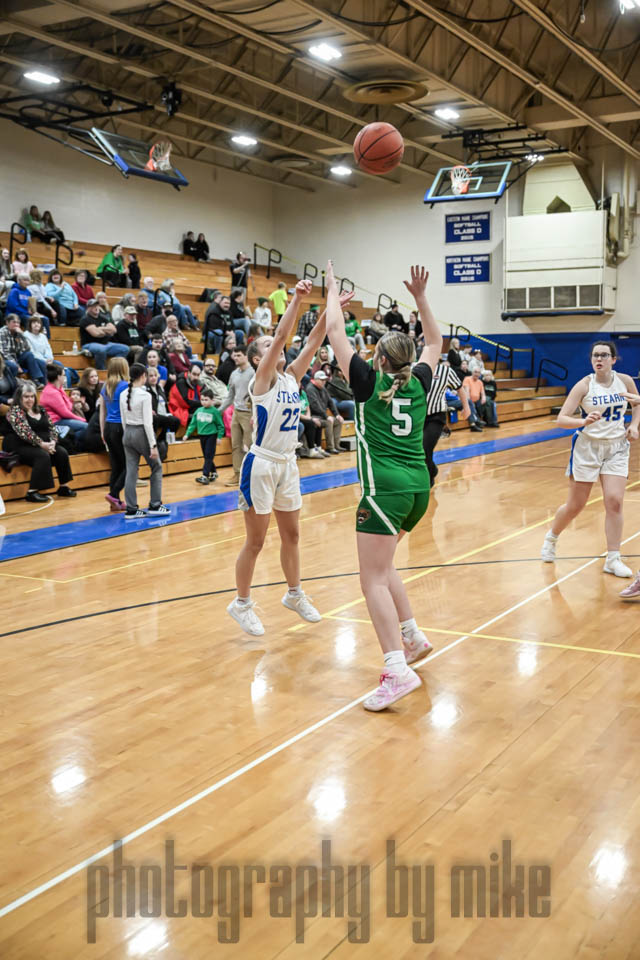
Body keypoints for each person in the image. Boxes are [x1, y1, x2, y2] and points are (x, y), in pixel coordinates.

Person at [325, 262, 442, 712]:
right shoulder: (420, 380)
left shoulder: (367, 382)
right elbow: (436, 342)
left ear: (378, 358)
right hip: (418, 489)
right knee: (386, 565)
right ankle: (411, 637)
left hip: (384, 490)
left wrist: (331, 290)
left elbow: (335, 330)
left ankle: (396, 669)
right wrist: (421, 298)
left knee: (370, 578)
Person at [226, 279, 352, 636]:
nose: (276, 345)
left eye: (274, 344)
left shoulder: (292, 377)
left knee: (292, 535)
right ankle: (241, 603)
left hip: (288, 463)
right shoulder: (262, 378)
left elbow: (313, 341)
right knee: (256, 541)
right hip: (261, 464)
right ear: (258, 358)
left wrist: (331, 309)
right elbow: (282, 335)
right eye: (267, 345)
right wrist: (296, 299)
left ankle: (294, 594)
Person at [541, 341, 640, 578]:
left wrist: (634, 425)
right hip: (587, 447)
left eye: (604, 355)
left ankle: (613, 559)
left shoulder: (625, 381)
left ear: (613, 359)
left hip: (616, 447)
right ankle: (552, 537)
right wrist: (582, 421)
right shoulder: (584, 385)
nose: (599, 359)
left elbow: (637, 403)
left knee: (614, 501)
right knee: (575, 505)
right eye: (595, 355)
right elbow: (562, 419)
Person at [3, 381, 75, 502]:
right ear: (19, 398)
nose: (30, 400)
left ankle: (63, 487)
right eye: (26, 397)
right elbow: (25, 432)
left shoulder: (41, 409)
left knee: (61, 452)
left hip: (42, 443)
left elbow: (52, 427)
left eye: (32, 396)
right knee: (42, 455)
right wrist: (42, 444)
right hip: (19, 444)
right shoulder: (15, 411)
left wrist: (53, 442)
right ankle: (32, 492)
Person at [120, 362, 169, 519]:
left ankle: (131, 509)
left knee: (131, 471)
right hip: (141, 432)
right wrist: (153, 445)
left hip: (127, 432)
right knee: (156, 467)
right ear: (143, 376)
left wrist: (127, 435)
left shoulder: (123, 394)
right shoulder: (145, 395)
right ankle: (155, 505)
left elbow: (123, 419)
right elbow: (148, 423)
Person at [423, 358, 470, 485]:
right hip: (419, 416)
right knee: (420, 450)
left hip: (436, 416)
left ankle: (429, 479)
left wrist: (466, 407)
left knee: (425, 447)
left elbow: (460, 388)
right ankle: (432, 470)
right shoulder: (416, 368)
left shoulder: (445, 371)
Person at [99, 356, 130, 511]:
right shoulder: (126, 386)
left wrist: (102, 431)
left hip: (108, 428)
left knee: (116, 466)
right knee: (130, 465)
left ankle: (115, 501)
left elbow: (102, 411)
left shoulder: (105, 387)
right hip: (120, 427)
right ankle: (113, 494)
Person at [220, 346, 254, 486]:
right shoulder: (234, 374)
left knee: (251, 446)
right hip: (236, 412)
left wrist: (255, 414)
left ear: (246, 356)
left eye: (239, 355)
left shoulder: (253, 373)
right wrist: (219, 410)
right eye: (234, 355)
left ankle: (253, 475)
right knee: (236, 445)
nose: (235, 358)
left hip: (249, 413)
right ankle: (237, 474)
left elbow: (258, 395)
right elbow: (230, 395)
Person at [40, 363, 88, 446]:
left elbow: (69, 406)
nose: (65, 377)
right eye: (64, 375)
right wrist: (81, 419)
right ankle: (74, 446)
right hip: (55, 422)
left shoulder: (59, 388)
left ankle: (74, 445)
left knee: (85, 425)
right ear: (59, 377)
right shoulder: (51, 392)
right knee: (86, 426)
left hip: (61, 419)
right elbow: (65, 413)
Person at [185, 388, 225, 483]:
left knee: (208, 455)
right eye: (202, 400)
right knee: (207, 456)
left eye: (206, 400)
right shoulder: (198, 410)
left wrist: (219, 437)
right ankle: (213, 472)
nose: (203, 402)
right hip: (202, 436)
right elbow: (193, 424)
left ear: (212, 400)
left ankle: (205, 475)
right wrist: (187, 434)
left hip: (211, 436)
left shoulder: (215, 412)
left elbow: (220, 425)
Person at [79, 299, 129, 370]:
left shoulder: (102, 318)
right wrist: (106, 330)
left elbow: (114, 330)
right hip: (89, 344)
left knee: (125, 349)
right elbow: (96, 334)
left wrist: (100, 328)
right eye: (93, 306)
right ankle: (101, 371)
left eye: (97, 305)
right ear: (88, 308)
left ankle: (114, 368)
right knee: (101, 350)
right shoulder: (85, 319)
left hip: (105, 344)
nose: (96, 308)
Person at [0, 314, 47, 386]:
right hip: (4, 360)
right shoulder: (2, 332)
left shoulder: (18, 333)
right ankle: (14, 386)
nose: (16, 324)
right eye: (14, 322)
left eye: (18, 323)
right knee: (13, 366)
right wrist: (17, 365)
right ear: (7, 323)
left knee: (33, 357)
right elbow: (4, 352)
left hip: (16, 359)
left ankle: (37, 381)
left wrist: (22, 334)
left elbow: (27, 349)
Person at [146, 366, 179, 459]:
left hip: (163, 414)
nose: (153, 378)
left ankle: (162, 439)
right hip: (153, 415)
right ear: (146, 378)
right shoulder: (145, 389)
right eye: (151, 376)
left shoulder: (160, 388)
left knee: (176, 421)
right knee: (156, 419)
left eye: (155, 375)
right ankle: (154, 442)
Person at [168, 363, 202, 429]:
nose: (196, 377)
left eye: (198, 375)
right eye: (194, 374)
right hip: (180, 408)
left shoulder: (197, 383)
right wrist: (202, 403)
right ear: (189, 373)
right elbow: (185, 402)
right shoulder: (181, 382)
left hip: (192, 407)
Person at [462, 367, 486, 432]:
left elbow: (483, 392)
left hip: (477, 400)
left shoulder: (480, 382)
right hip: (469, 400)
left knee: (487, 403)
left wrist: (483, 397)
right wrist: (469, 400)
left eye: (478, 372)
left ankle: (483, 421)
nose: (477, 374)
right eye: (475, 372)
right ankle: (477, 421)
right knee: (471, 404)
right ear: (472, 372)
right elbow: (466, 391)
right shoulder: (467, 379)